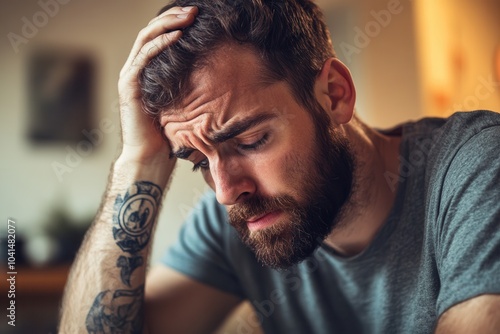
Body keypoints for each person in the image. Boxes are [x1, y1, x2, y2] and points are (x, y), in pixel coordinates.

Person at [59, 0, 500, 333]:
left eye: (251, 141)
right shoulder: (236, 218)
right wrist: (138, 162)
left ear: (334, 94)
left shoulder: (475, 164)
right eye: (198, 163)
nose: (227, 191)